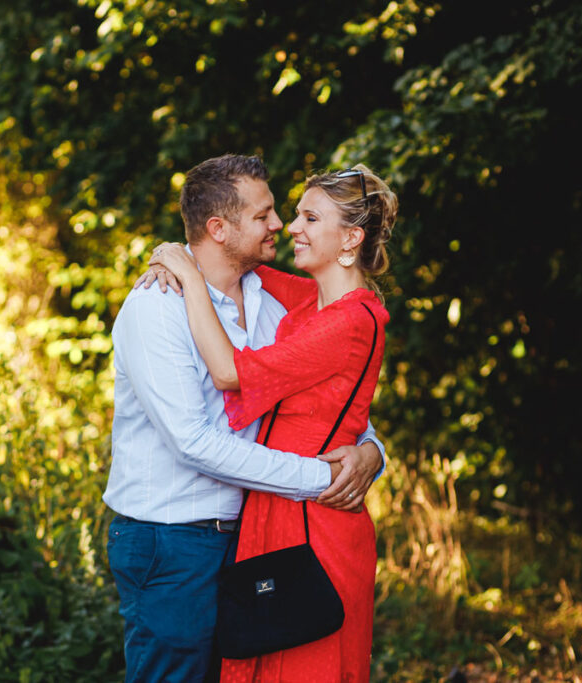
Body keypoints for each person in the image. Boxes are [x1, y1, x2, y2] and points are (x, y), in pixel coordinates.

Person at [104, 154, 387, 683]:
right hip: (173, 540)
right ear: (219, 228)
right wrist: (318, 478)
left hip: (252, 538)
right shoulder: (157, 305)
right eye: (265, 215)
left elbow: (326, 401)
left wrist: (372, 450)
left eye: (290, 214)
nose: (280, 225)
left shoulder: (278, 304)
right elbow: (193, 441)